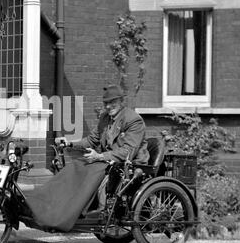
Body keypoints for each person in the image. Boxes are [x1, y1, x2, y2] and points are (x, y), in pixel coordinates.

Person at [24, 84, 149, 231]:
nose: (108, 106)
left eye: (112, 102)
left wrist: (100, 156)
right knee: (76, 166)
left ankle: (77, 212)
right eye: (106, 103)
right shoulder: (105, 118)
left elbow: (128, 151)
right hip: (107, 161)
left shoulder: (133, 120)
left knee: (90, 171)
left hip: (128, 163)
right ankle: (50, 207)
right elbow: (91, 140)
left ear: (121, 101)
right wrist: (70, 143)